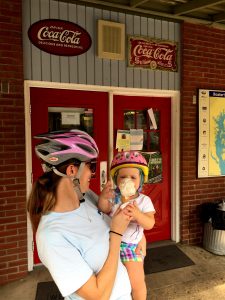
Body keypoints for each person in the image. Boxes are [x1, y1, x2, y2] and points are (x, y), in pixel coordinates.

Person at [27, 129, 134, 300]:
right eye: (91, 166)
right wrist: (116, 234)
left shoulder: (87, 198)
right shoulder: (51, 237)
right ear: (71, 171)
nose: (93, 173)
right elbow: (98, 295)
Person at [98, 151, 156, 300]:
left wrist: (138, 215)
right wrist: (103, 198)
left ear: (141, 180)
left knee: (137, 282)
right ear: (116, 179)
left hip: (130, 247)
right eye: (123, 177)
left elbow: (150, 223)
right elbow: (104, 209)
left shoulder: (144, 201)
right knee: (116, 281)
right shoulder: (114, 198)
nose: (127, 181)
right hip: (111, 244)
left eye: (133, 177)